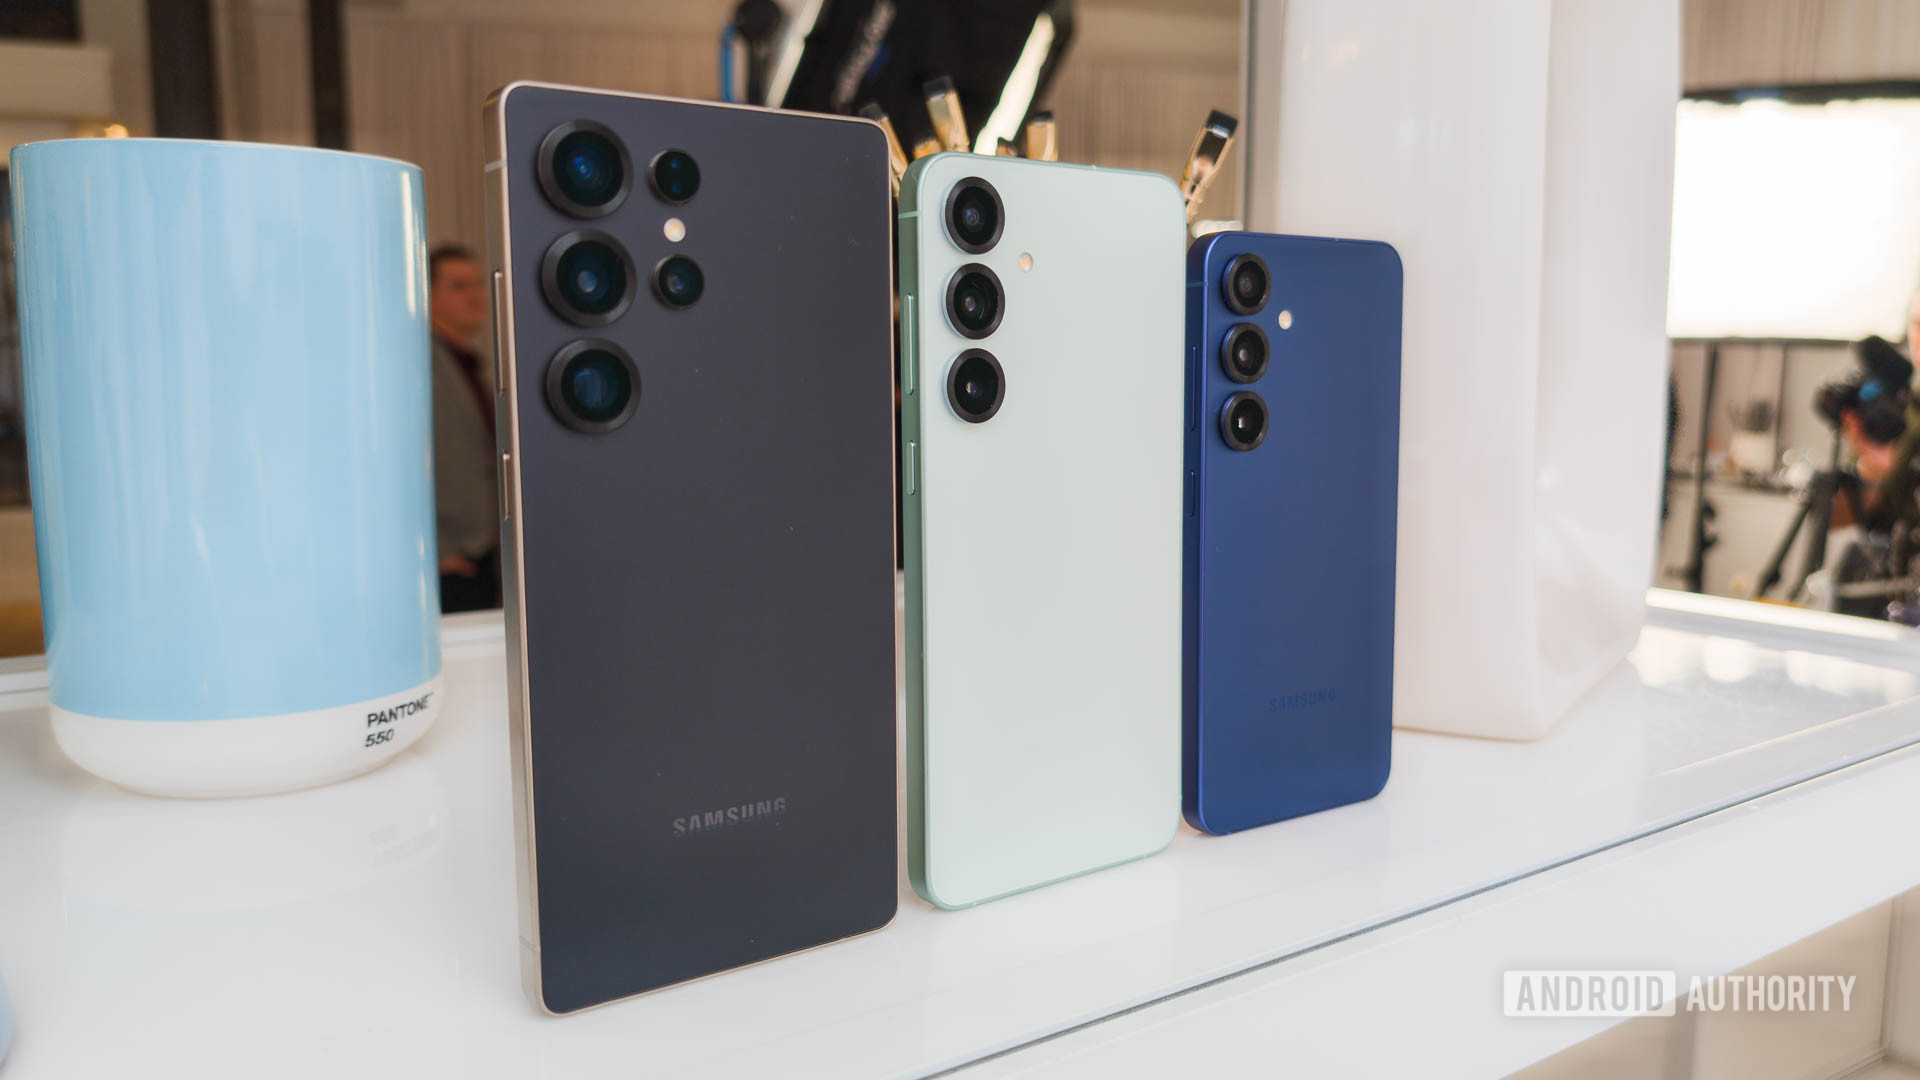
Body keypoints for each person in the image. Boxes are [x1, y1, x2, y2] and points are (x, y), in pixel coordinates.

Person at [428, 244, 501, 612]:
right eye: (458, 286)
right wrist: (435, 550)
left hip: (483, 556)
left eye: (477, 284)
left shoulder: (470, 363)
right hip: (446, 561)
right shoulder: (417, 364)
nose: (475, 296)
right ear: (427, 294)